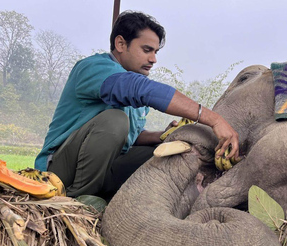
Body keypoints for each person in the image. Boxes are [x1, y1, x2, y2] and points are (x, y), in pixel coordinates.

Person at [34, 10, 239, 200]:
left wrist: (163, 136)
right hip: (60, 170)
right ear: (121, 44)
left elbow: (130, 136)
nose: (154, 59)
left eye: (156, 52)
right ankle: (76, 201)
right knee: (115, 120)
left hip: (105, 165)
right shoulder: (94, 68)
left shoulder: (133, 82)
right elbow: (137, 93)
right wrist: (213, 119)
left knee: (170, 153)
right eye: (147, 50)